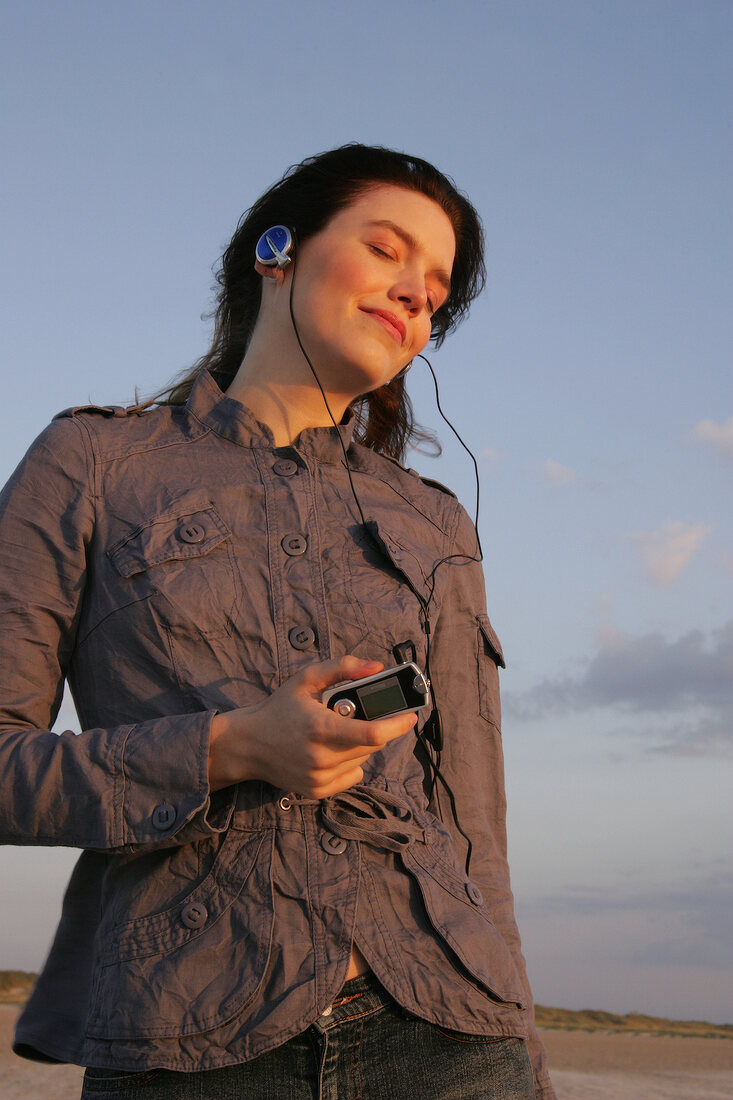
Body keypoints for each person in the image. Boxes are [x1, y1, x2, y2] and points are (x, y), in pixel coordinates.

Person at [0, 144, 555, 1099]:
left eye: (437, 286)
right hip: (186, 1032)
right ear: (276, 249)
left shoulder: (435, 521)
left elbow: (475, 830)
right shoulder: (91, 461)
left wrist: (526, 1059)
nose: (417, 292)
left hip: (453, 1036)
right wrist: (226, 749)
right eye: (387, 251)